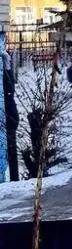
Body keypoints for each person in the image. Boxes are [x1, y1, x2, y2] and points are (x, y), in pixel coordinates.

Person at [1, 33, 17, 182]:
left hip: (8, 116)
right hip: (8, 115)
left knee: (11, 153)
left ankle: (13, 179)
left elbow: (9, 85)